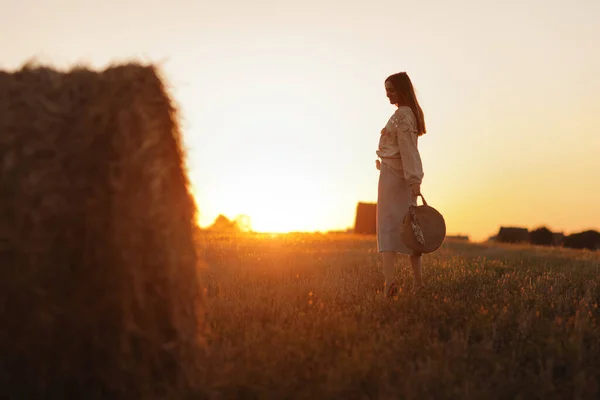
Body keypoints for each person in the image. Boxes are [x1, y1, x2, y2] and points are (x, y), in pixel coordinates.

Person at [375, 71, 426, 297]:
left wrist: (414, 179)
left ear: (402, 90)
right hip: (394, 174)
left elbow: (408, 150)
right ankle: (416, 283)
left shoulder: (403, 115)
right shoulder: (404, 114)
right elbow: (401, 149)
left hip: (397, 179)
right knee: (409, 228)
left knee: (391, 226)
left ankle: (391, 284)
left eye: (392, 90)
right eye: (386, 91)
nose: (388, 95)